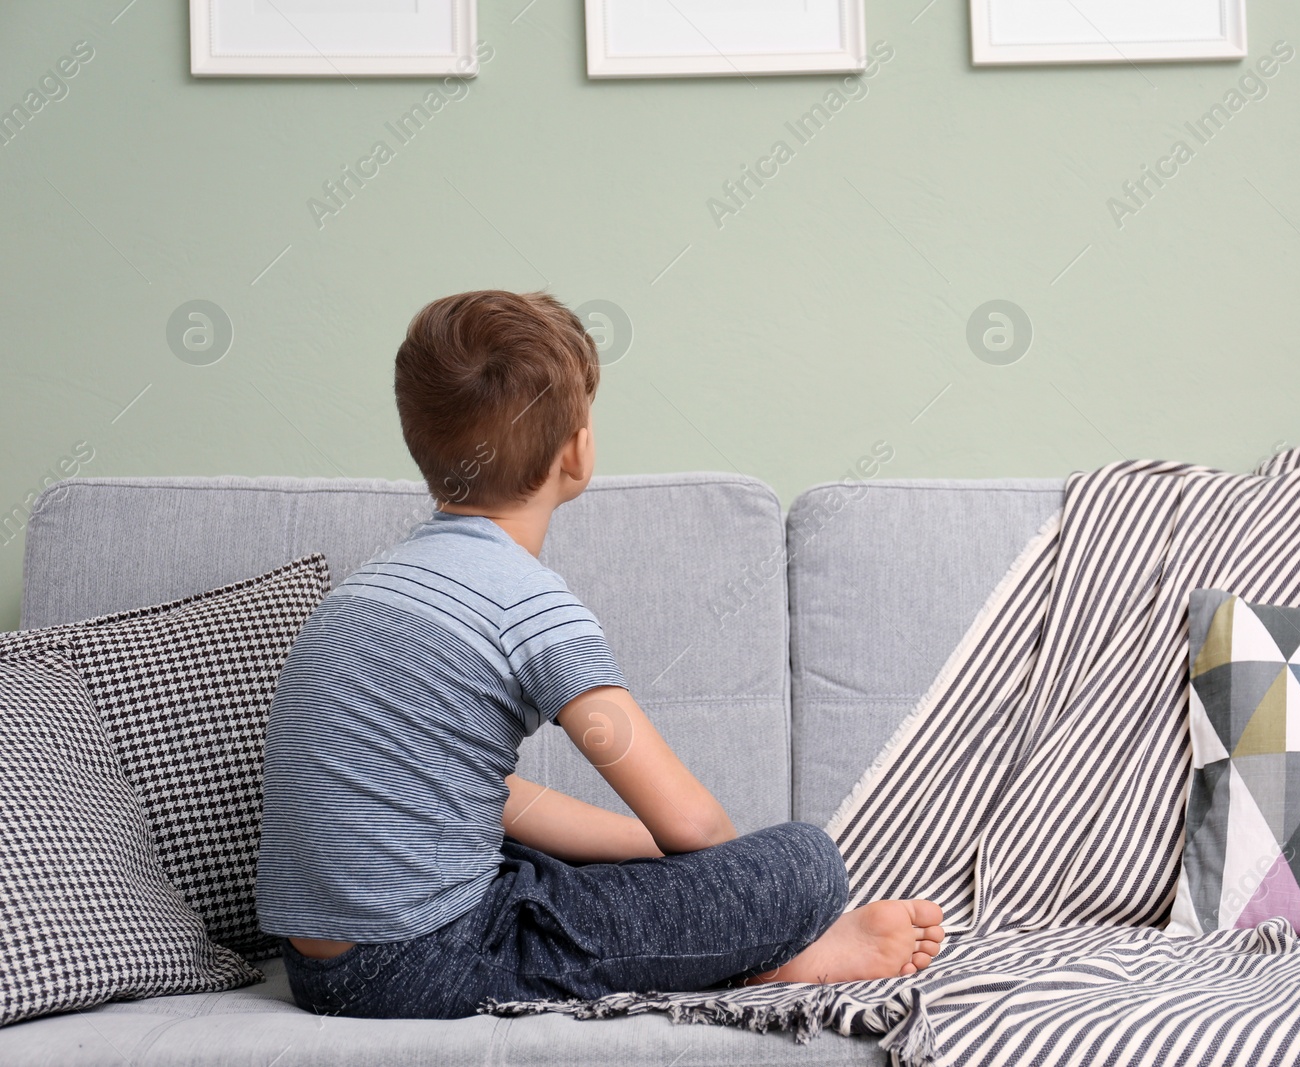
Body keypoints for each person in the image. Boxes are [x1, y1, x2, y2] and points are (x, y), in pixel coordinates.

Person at [255, 290, 944, 1018]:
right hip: (429, 961)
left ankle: (735, 947)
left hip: (318, 971)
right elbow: (694, 826)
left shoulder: (364, 592)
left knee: (546, 866)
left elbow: (491, 802)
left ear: (419, 440)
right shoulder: (529, 603)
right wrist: (731, 887)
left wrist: (641, 856)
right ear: (577, 449)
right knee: (806, 864)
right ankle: (769, 959)